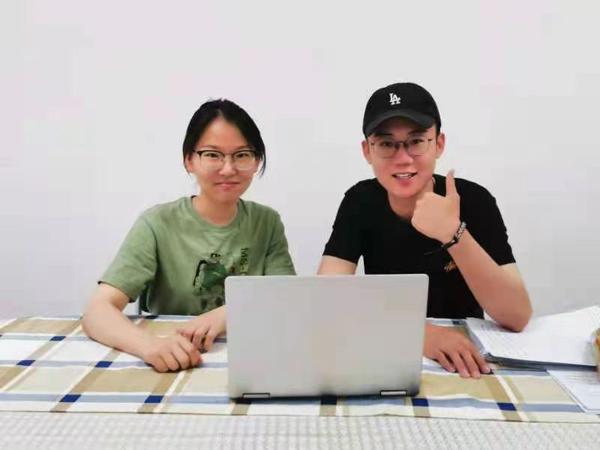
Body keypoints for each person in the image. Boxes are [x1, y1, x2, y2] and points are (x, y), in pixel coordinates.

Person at [318, 82, 531, 379]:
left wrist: (454, 234)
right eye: (386, 144)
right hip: (390, 347)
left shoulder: (474, 200)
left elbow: (517, 316)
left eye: (417, 141)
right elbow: (327, 297)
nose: (403, 158)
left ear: (438, 144)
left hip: (466, 359)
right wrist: (419, 333)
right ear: (367, 151)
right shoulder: (360, 201)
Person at [82, 99, 295, 372]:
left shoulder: (266, 222)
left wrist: (228, 313)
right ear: (189, 160)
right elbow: (97, 311)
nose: (228, 168)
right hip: (172, 361)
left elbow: (285, 298)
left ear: (256, 162)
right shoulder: (157, 223)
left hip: (246, 359)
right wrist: (150, 347)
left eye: (242, 155)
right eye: (212, 155)